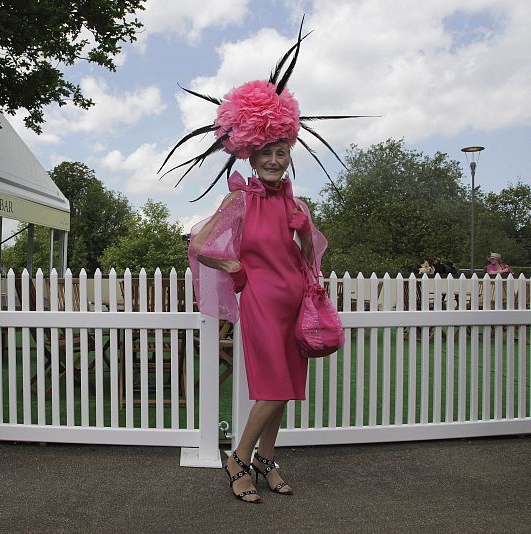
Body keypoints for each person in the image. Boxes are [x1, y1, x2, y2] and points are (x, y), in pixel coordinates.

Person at [161, 21, 360, 503]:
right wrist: (235, 270)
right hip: (261, 305)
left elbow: (310, 260)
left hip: (295, 305)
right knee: (271, 388)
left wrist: (303, 229)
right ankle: (238, 458)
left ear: (288, 154)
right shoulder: (241, 202)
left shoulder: (295, 204)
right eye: (266, 153)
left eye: (281, 152)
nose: (274, 160)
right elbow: (200, 244)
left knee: (287, 388)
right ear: (251, 155)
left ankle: (268, 461)